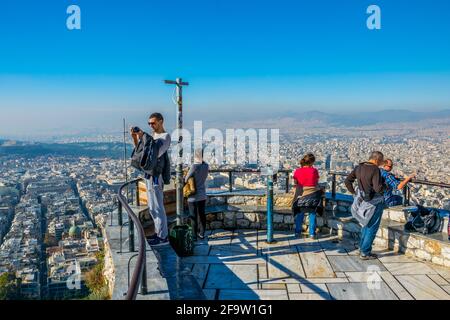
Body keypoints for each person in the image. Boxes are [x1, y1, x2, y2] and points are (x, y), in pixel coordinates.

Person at [131, 112, 171, 246]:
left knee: (158, 207)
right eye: (149, 123)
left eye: (153, 123)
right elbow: (142, 152)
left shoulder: (165, 137)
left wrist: (144, 136)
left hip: (156, 176)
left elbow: (155, 153)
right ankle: (158, 232)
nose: (151, 125)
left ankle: (163, 237)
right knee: (152, 207)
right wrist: (136, 138)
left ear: (161, 122)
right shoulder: (153, 136)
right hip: (148, 174)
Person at [344, 151, 385, 260]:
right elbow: (378, 188)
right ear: (376, 160)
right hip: (374, 203)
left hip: (362, 201)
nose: (381, 164)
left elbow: (347, 181)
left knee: (366, 225)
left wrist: (354, 193)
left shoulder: (359, 167)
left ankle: (362, 248)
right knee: (372, 227)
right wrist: (385, 186)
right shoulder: (375, 169)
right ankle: (365, 252)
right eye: (381, 162)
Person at [292, 153, 321, 239]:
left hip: (301, 197)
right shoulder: (314, 171)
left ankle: (297, 232)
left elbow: (295, 183)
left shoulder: (297, 171)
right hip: (313, 197)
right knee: (312, 214)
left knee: (300, 214)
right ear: (311, 162)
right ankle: (312, 233)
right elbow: (316, 182)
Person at [185, 149, 209, 240]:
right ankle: (202, 233)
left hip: (193, 196)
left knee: (193, 216)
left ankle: (194, 235)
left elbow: (186, 179)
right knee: (202, 214)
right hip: (202, 194)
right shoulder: (206, 166)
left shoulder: (194, 166)